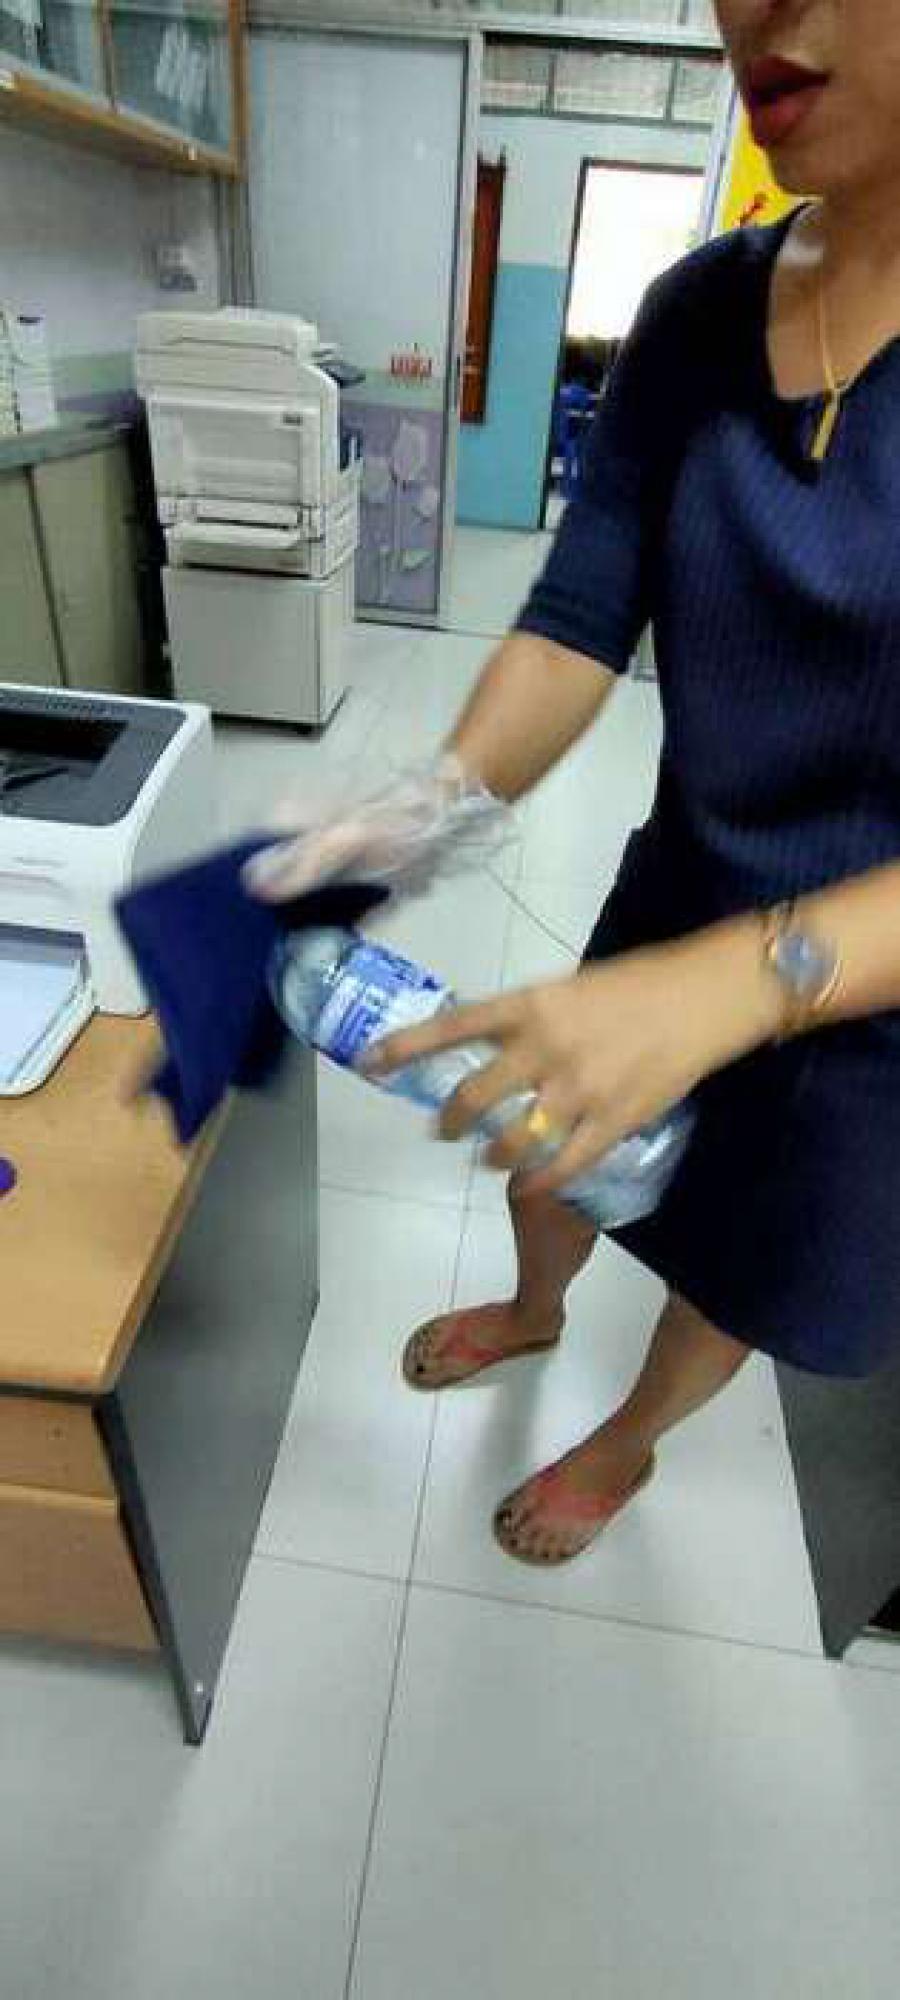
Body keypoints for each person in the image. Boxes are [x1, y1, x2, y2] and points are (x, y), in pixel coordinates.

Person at [254, 0, 900, 1568]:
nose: (766, 9)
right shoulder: (698, 313)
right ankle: (536, 1310)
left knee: (731, 1269)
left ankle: (625, 1445)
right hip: (682, 887)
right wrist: (413, 813)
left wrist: (746, 983)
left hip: (872, 1002)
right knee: (558, 1160)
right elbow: (573, 622)